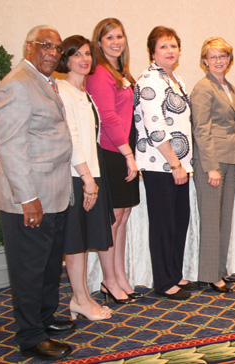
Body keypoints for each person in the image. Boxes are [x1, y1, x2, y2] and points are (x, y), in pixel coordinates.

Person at [0, 25, 74, 360]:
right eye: (45, 45)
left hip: (53, 193)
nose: (52, 53)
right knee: (29, 270)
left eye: (57, 48)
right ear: (28, 46)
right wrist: (27, 198)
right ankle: (30, 336)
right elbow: (9, 146)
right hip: (31, 199)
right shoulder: (16, 84)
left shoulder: (43, 81)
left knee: (48, 265)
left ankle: (43, 319)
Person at [57, 35, 117, 320]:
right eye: (76, 54)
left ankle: (80, 297)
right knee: (75, 242)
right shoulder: (63, 90)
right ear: (65, 59)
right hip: (76, 176)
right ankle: (80, 298)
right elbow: (71, 139)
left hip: (91, 172)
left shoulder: (84, 92)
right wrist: (87, 180)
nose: (84, 59)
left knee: (81, 241)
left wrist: (94, 177)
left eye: (87, 54)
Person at [134, 26, 194, 300]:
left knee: (179, 221)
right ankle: (163, 281)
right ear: (152, 52)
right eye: (164, 47)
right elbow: (155, 127)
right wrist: (174, 164)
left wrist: (182, 165)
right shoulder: (149, 80)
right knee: (163, 224)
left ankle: (175, 274)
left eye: (173, 46)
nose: (170, 51)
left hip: (178, 165)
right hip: (161, 165)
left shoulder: (174, 79)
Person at [86, 18, 140, 303]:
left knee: (123, 217)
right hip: (112, 152)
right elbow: (107, 118)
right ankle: (108, 279)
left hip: (124, 149)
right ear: (99, 43)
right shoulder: (99, 74)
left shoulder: (120, 73)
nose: (116, 42)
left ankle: (119, 276)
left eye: (119, 36)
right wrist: (128, 155)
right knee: (113, 219)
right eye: (109, 38)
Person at [191, 37, 235, 293]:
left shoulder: (229, 87)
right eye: (213, 57)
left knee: (224, 219)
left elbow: (232, 128)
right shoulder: (203, 88)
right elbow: (201, 129)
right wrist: (210, 166)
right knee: (211, 220)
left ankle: (220, 269)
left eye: (223, 56)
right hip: (211, 161)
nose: (219, 61)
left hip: (229, 159)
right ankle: (210, 274)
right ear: (204, 61)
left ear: (229, 60)